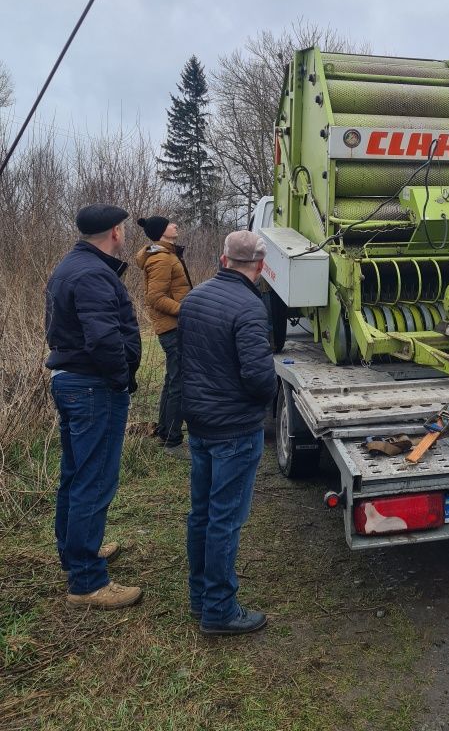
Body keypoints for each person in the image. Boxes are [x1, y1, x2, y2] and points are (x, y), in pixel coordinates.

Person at [178, 229, 277, 635]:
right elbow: (258, 376)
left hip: (200, 425)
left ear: (222, 260)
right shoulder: (249, 308)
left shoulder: (194, 298)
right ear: (260, 266)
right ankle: (219, 610)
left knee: (201, 514)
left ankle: (200, 599)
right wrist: (269, 393)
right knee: (224, 520)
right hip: (235, 431)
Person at [45, 204, 143, 609]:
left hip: (74, 384)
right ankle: (86, 582)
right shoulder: (91, 274)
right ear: (115, 232)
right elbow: (103, 339)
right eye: (122, 227)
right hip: (92, 388)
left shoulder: (74, 265)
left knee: (76, 475)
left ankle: (77, 554)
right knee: (94, 481)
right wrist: (120, 380)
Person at [135, 215, 192, 459]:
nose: (175, 225)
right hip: (172, 328)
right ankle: (173, 441)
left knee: (172, 381)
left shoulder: (167, 255)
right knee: (179, 382)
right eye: (170, 223)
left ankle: (165, 432)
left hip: (174, 326)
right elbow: (155, 298)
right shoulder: (160, 259)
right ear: (161, 231)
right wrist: (186, 310)